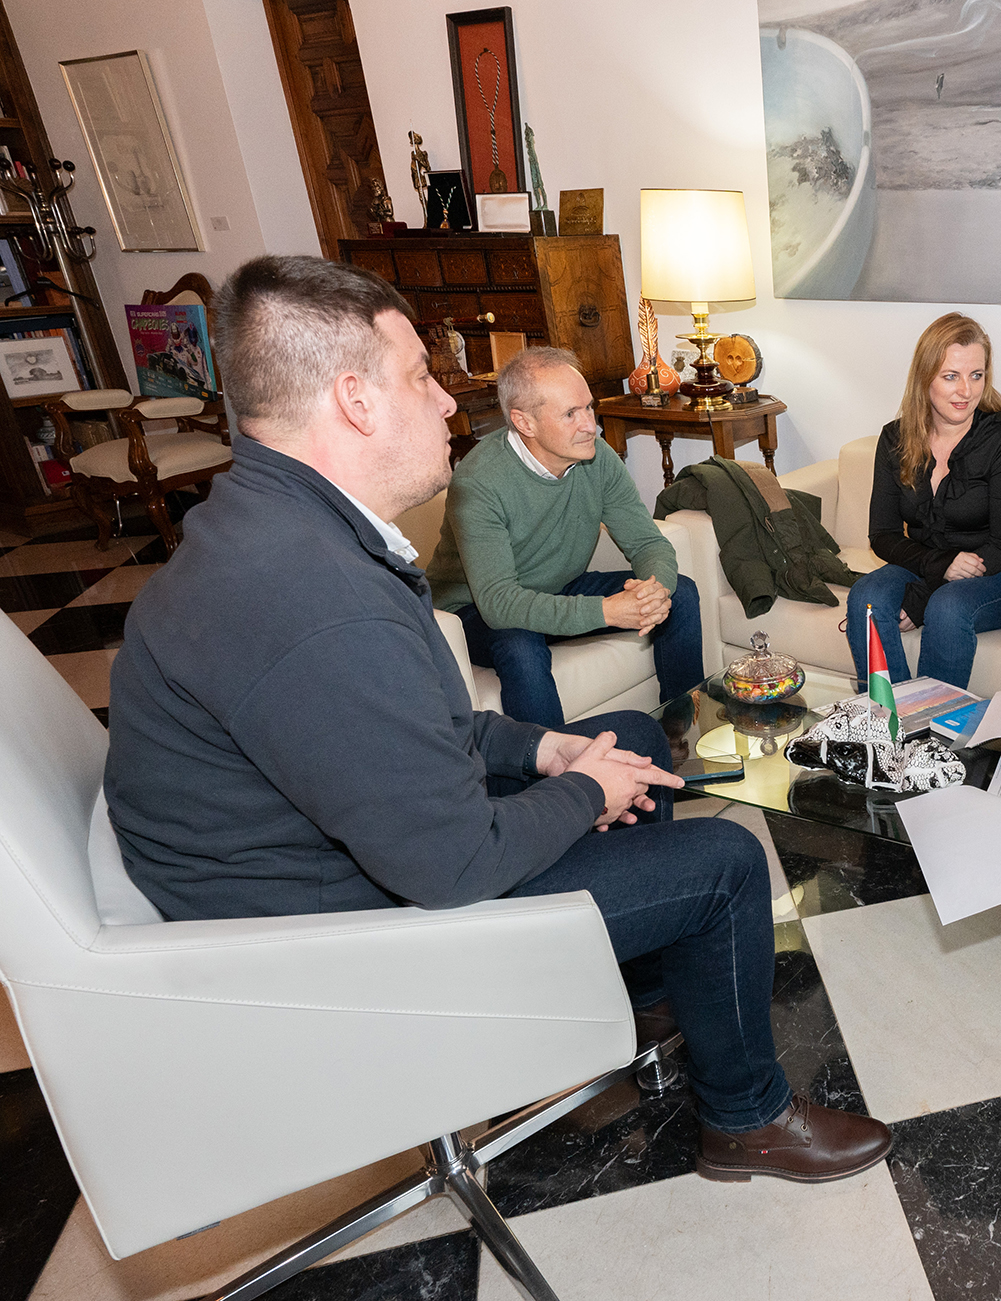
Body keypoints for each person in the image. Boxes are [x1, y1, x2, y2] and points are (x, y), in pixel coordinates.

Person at [104, 255, 891, 1184]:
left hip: (340, 860)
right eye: (421, 377)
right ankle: (746, 1118)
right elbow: (453, 863)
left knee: (633, 740)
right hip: (344, 941)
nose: (448, 403)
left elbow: (419, 727)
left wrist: (545, 746)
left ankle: (646, 991)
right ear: (354, 401)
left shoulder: (279, 532)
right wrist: (584, 792)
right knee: (724, 862)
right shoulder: (315, 601)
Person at [427, 346, 702, 728]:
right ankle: (557, 764)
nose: (590, 425)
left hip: (557, 587)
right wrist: (607, 611)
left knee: (680, 593)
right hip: (472, 610)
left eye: (588, 408)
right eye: (571, 414)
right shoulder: (478, 483)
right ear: (524, 423)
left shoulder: (597, 457)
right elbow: (498, 603)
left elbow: (647, 543)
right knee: (519, 644)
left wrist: (654, 591)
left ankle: (682, 738)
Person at [845, 312, 1001, 689]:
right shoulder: (895, 438)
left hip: (1000, 574)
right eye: (951, 376)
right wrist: (939, 567)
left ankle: (934, 724)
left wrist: (924, 596)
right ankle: (888, 716)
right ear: (925, 377)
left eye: (976, 375)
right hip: (926, 561)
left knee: (946, 607)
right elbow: (882, 535)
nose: (966, 390)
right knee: (865, 597)